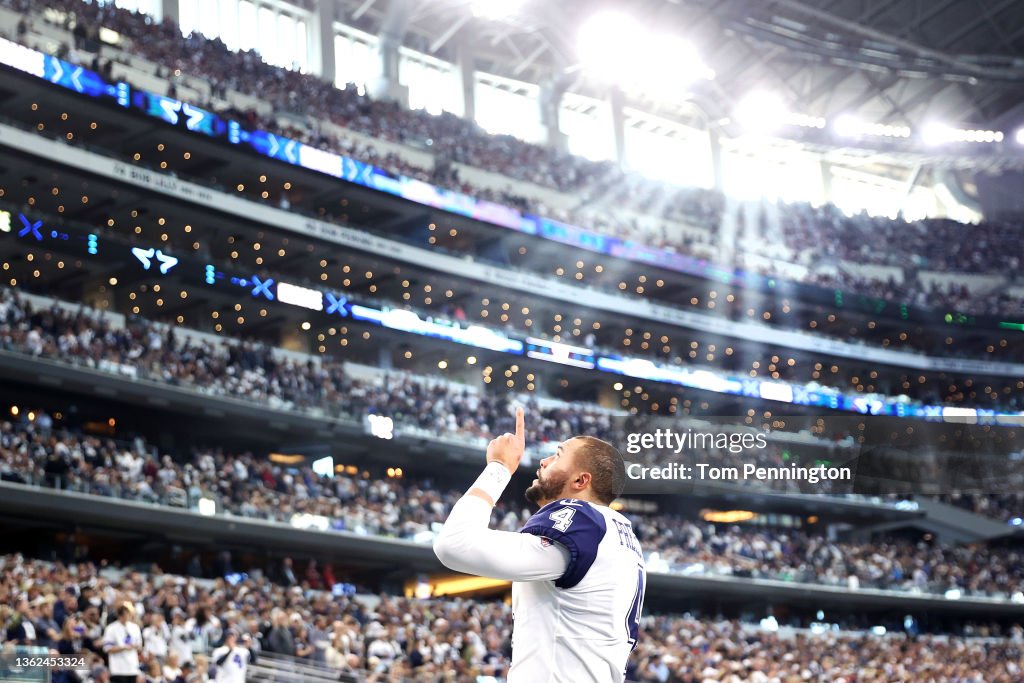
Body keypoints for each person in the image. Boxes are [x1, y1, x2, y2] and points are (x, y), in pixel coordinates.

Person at [433, 407, 645, 682]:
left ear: (581, 480)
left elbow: (455, 544)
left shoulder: (584, 521)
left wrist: (499, 468)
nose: (544, 461)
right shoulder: (619, 534)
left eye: (557, 455)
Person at [102, 603, 143, 683]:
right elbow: (107, 648)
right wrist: (123, 647)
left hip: (132, 667)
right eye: (124, 614)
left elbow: (139, 645)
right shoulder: (111, 628)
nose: (127, 616)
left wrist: (134, 646)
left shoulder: (135, 627)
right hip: (118, 668)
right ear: (119, 615)